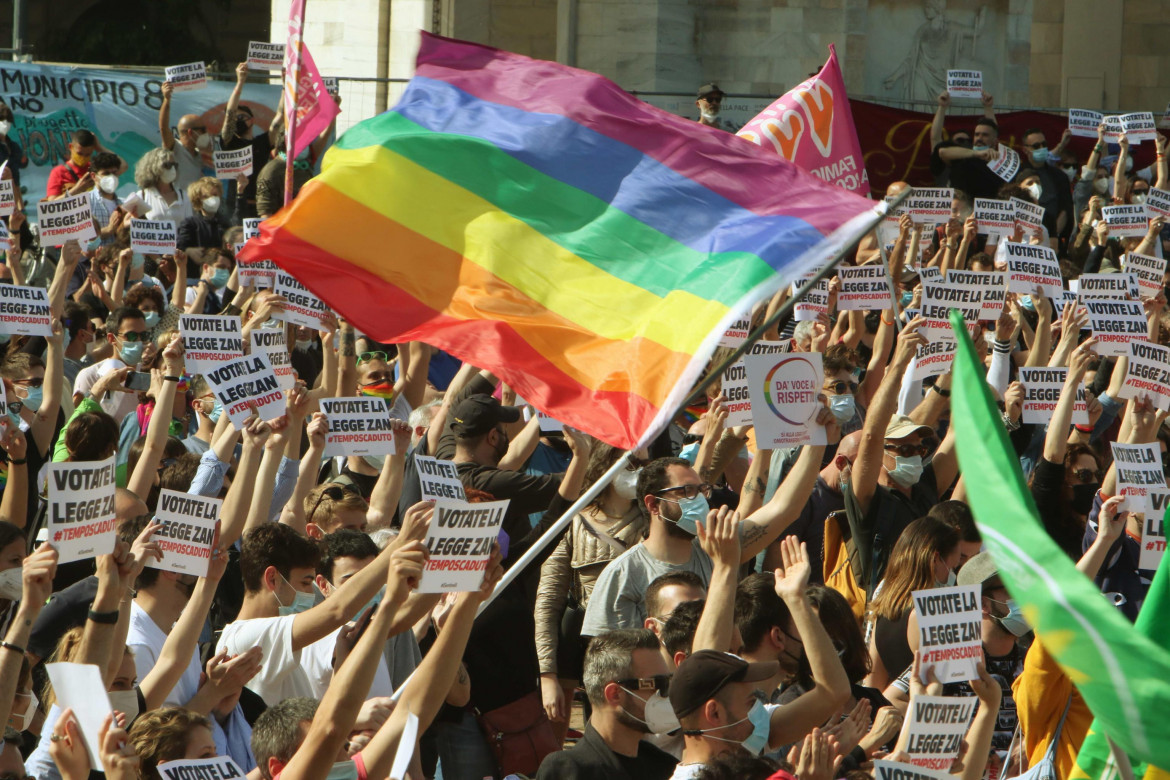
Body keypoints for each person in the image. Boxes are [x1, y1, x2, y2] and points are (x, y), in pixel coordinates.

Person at [582, 409, 835, 637]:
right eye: (686, 492)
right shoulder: (623, 575)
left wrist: (816, 439)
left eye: (701, 490)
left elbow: (785, 508)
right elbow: (610, 659)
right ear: (653, 504)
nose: (699, 501)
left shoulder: (718, 549)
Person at [536, 446, 647, 742]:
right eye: (630, 462)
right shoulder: (573, 521)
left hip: (636, 656)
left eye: (642, 463)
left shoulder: (656, 520)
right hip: (581, 652)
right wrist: (548, 676)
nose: (638, 470)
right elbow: (548, 601)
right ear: (605, 467)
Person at [535, 629, 678, 780]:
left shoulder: (665, 767)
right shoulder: (569, 770)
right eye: (659, 684)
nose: (667, 695)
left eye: (670, 683)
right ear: (615, 694)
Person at [158, 81, 212, 191]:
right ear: (190, 132)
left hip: (194, 206)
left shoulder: (199, 155)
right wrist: (167, 100)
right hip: (178, 205)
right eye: (203, 130)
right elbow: (163, 128)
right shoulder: (175, 148)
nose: (206, 133)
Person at [45, 129, 96, 200]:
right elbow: (51, 204)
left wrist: (99, 147)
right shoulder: (58, 172)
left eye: (88, 154)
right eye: (79, 153)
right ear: (70, 147)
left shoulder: (95, 169)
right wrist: (77, 190)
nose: (83, 157)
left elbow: (116, 166)